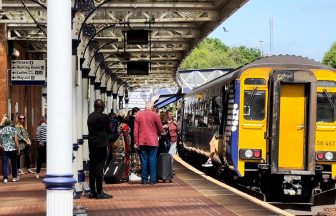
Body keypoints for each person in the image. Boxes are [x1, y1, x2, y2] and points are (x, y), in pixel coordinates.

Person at [87, 99, 113, 199]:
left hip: (92, 144)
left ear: (94, 106)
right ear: (102, 107)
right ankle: (99, 192)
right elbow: (110, 129)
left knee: (92, 167)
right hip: (102, 144)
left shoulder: (90, 116)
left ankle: (92, 191)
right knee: (99, 167)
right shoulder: (104, 117)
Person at [134, 101, 163, 185]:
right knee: (152, 159)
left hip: (142, 141)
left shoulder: (139, 115)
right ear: (152, 107)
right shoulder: (155, 115)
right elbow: (160, 129)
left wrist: (136, 141)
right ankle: (153, 180)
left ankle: (144, 180)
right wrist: (159, 132)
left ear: (145, 107)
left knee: (143, 160)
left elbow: (135, 131)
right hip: (153, 141)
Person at [111, 110, 131, 181]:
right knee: (125, 159)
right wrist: (128, 146)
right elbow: (125, 136)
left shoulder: (119, 124)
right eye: (127, 116)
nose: (128, 117)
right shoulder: (124, 125)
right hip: (123, 144)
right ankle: (124, 175)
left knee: (119, 159)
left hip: (117, 143)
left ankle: (118, 174)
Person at [0, 116, 20, 183]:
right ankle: (14, 177)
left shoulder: (1, 130)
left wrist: (2, 146)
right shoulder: (13, 129)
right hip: (13, 149)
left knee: (5, 164)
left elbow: (0, 140)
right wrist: (18, 148)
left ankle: (5, 178)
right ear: (11, 123)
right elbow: (16, 140)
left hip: (5, 149)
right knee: (14, 163)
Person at [127, 107, 141, 182]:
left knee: (133, 156)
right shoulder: (133, 119)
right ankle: (133, 173)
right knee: (134, 156)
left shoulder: (130, 118)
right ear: (135, 112)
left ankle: (133, 172)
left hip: (132, 140)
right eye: (139, 112)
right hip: (133, 141)